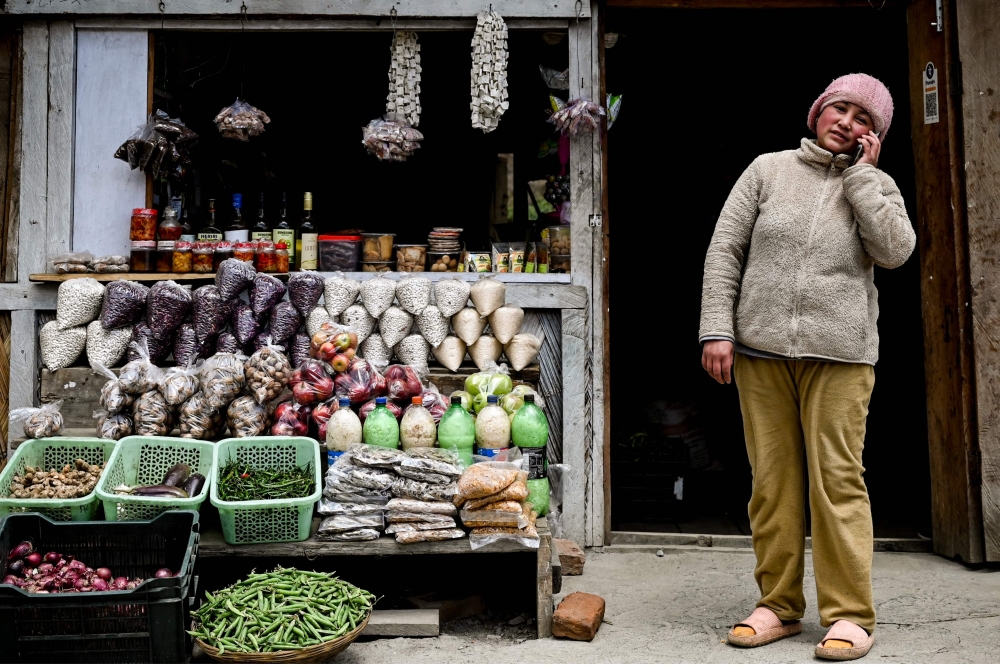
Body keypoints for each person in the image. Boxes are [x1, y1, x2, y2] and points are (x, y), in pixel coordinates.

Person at [698, 73, 915, 661]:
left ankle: (850, 616)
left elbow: (895, 250)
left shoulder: (877, 184)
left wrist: (864, 179)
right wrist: (717, 328)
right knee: (772, 484)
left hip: (840, 356)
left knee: (837, 482)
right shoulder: (767, 170)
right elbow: (725, 252)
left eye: (862, 118)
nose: (847, 122)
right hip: (761, 351)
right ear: (818, 111)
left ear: (874, 134)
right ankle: (778, 606)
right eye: (839, 108)